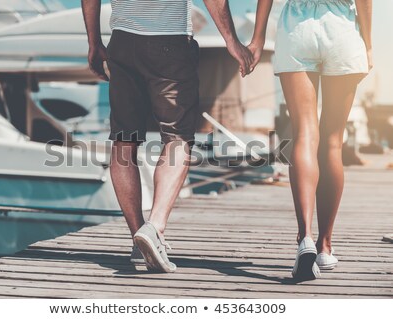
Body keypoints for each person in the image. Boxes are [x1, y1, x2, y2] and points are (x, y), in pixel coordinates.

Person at [81, 0, 253, 273]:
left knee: (123, 142)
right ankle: (154, 227)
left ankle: (139, 239)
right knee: (177, 139)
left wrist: (93, 41)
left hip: (123, 42)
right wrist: (231, 39)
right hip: (170, 41)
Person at [248, 0, 372, 281]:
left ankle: (305, 237)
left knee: (304, 133)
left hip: (297, 26)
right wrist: (368, 43)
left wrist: (257, 38)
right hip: (342, 27)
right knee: (332, 142)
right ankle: (324, 247)